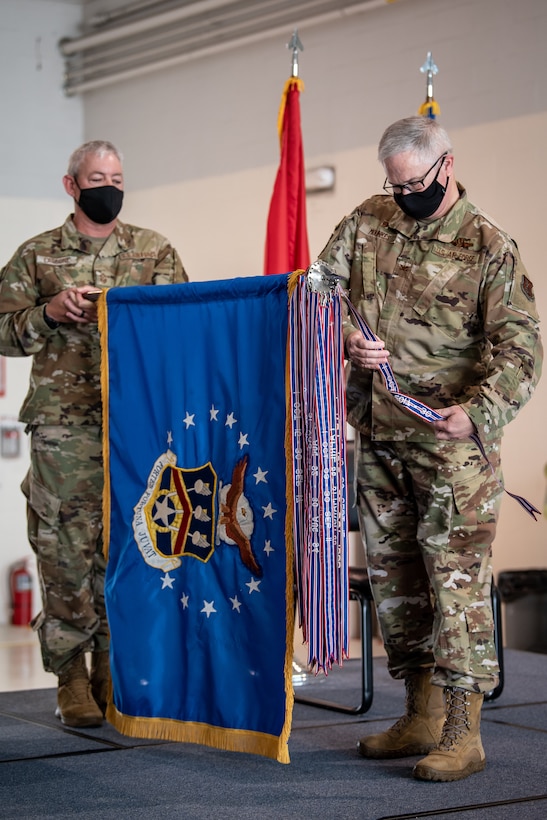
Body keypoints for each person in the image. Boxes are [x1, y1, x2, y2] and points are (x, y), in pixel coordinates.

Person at [318, 116, 542, 781]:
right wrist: (346, 342)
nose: (403, 194)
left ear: (446, 166)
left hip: (452, 452)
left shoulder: (488, 245)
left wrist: (475, 414)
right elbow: (318, 293)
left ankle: (462, 729)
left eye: (414, 182)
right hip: (380, 435)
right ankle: (415, 711)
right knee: (396, 582)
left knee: (455, 584)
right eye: (393, 184)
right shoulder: (367, 221)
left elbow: (521, 353)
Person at [0, 140, 188, 728]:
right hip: (64, 428)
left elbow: (183, 324)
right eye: (96, 176)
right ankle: (71, 678)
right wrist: (50, 313)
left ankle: (114, 667)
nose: (109, 185)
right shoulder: (37, 256)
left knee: (128, 547)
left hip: (136, 426)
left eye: (117, 176)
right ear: (71, 185)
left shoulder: (153, 251)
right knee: (63, 551)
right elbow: (3, 333)